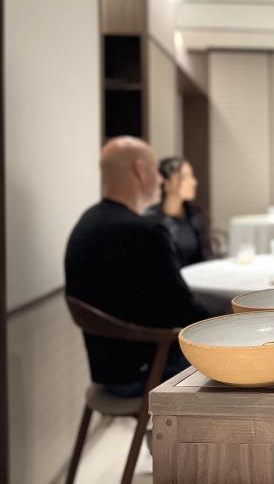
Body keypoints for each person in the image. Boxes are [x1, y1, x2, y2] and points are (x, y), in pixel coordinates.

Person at [65, 137, 210, 397]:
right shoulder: (145, 231)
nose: (160, 179)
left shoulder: (88, 221)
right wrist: (227, 321)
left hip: (107, 369)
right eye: (156, 171)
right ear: (140, 170)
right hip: (147, 368)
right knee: (239, 356)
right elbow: (183, 309)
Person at [146, 156, 209, 266]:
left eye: (192, 176)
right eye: (185, 177)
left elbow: (206, 256)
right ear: (166, 183)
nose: (194, 182)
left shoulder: (196, 215)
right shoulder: (151, 220)